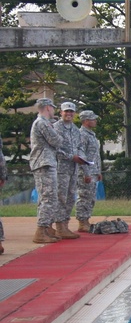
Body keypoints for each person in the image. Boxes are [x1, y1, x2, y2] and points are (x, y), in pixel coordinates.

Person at [30, 98, 63, 243]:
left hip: (46, 162)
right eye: (53, 108)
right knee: (48, 198)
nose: (54, 111)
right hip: (44, 163)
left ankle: (47, 228)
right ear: (48, 108)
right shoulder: (42, 123)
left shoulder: (43, 123)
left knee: (48, 197)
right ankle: (41, 230)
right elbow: (56, 141)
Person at [53, 101, 86, 238]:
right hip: (61, 168)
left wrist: (82, 158)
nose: (69, 114)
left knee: (71, 197)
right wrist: (72, 157)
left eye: (71, 111)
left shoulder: (75, 130)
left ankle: (65, 224)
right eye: (66, 111)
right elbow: (55, 149)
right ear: (61, 112)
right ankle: (59, 226)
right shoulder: (55, 128)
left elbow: (80, 147)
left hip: (74, 169)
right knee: (61, 197)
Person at [75, 110, 103, 233]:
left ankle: (86, 219)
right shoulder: (82, 135)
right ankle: (82, 221)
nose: (95, 121)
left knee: (91, 197)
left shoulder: (91, 134)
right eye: (92, 119)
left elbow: (95, 155)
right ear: (86, 121)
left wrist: (98, 171)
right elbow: (82, 155)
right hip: (85, 172)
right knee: (84, 196)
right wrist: (86, 173)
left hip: (93, 171)